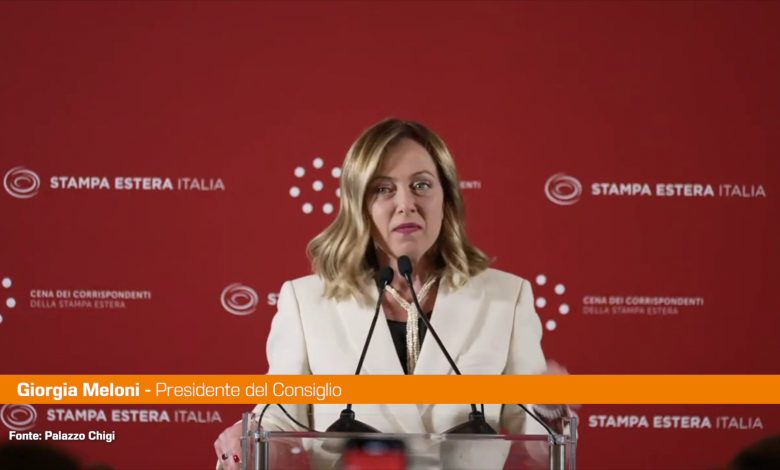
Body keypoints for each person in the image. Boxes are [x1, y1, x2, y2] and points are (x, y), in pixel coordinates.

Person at [214, 118, 572, 468]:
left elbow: (538, 444)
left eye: (421, 185)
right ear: (359, 204)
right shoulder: (307, 302)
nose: (405, 203)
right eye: (383, 189)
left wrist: (549, 409)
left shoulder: (506, 298)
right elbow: (278, 426)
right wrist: (245, 446)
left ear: (446, 199)